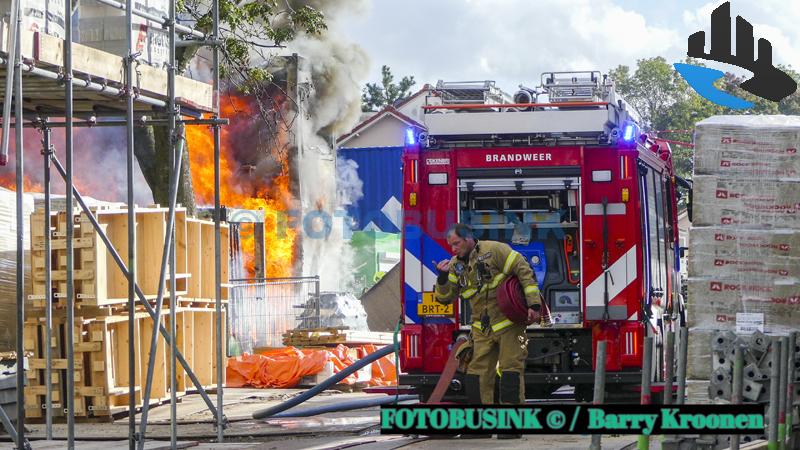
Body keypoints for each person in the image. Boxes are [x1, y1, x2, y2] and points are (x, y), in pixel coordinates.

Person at [434, 224, 542, 417]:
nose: (453, 249)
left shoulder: (494, 250)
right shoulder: (455, 266)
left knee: (510, 370)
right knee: (476, 373)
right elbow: (445, 298)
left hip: (509, 324)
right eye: (451, 246)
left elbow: (524, 270)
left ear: (468, 238)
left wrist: (534, 305)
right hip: (481, 329)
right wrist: (442, 277)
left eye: (457, 244)